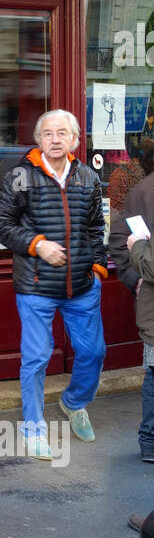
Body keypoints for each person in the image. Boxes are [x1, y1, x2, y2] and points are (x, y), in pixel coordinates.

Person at [0, 109, 107, 460]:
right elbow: (0, 223)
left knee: (93, 352)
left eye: (62, 133)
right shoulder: (20, 176)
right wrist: (36, 244)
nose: (55, 139)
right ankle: (34, 427)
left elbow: (96, 226)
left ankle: (73, 403)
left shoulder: (87, 177)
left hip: (82, 286)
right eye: (48, 134)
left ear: (74, 140)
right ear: (39, 140)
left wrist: (98, 266)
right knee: (37, 358)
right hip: (37, 286)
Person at [109, 141, 154, 463]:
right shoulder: (142, 193)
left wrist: (138, 251)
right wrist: (134, 278)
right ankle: (150, 441)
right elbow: (119, 237)